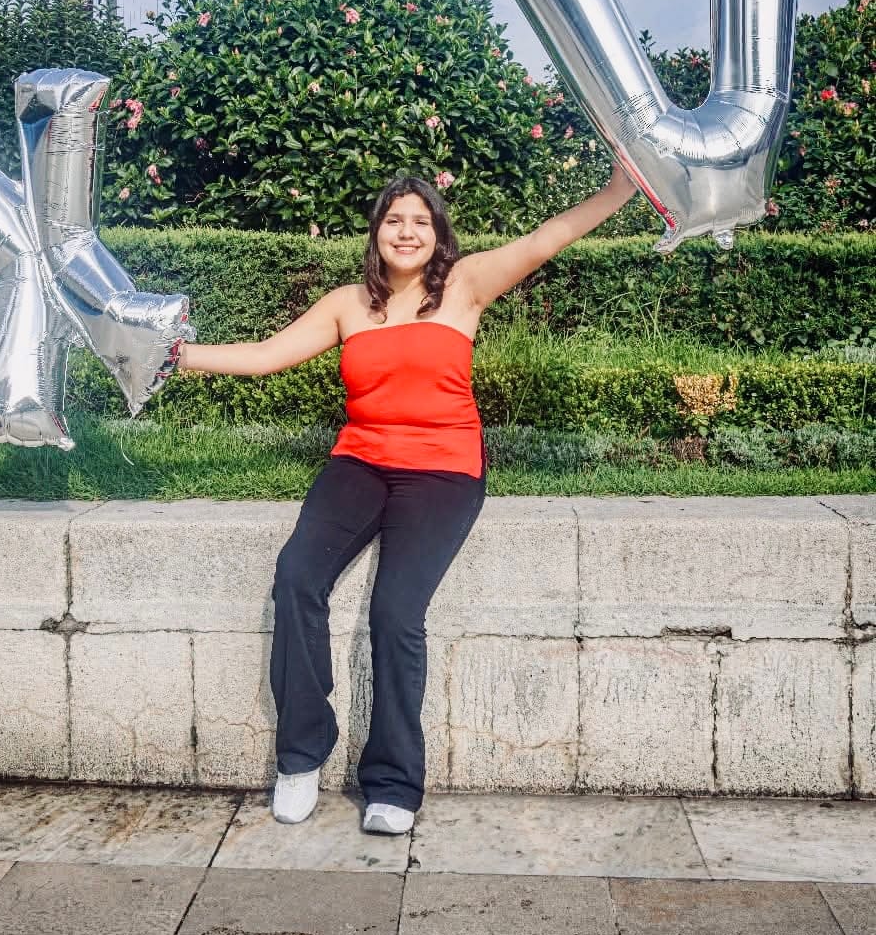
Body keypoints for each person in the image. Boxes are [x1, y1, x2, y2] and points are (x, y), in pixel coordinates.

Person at [178, 164, 637, 834]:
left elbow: (548, 238)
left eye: (421, 220)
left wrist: (621, 188)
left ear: (438, 233)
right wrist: (176, 355)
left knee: (395, 612)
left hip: (443, 470)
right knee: (297, 575)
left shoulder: (464, 286)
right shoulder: (348, 304)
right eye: (394, 219)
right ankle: (301, 757)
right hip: (361, 461)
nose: (407, 231)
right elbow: (266, 355)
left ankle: (393, 784)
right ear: (376, 232)